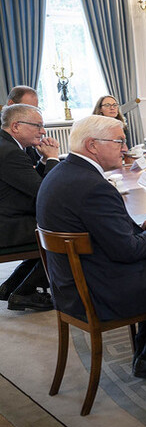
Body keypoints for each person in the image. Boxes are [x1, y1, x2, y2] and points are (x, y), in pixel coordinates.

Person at [36, 115, 146, 378]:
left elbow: (104, 233)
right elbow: (128, 251)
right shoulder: (93, 186)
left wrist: (143, 229)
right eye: (119, 141)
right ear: (92, 145)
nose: (125, 148)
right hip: (99, 290)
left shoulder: (61, 172)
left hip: (72, 285)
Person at [0, 104, 60, 311]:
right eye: (38, 126)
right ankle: (25, 292)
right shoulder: (9, 152)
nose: (43, 131)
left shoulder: (7, 146)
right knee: (65, 228)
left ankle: (11, 286)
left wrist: (44, 160)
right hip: (7, 226)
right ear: (16, 126)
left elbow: (30, 184)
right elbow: (46, 193)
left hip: (9, 216)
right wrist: (52, 157)